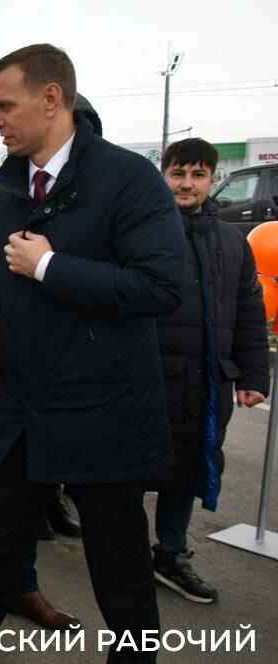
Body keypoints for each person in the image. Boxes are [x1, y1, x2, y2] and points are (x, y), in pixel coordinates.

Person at [0, 44, 186, 664]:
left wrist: (53, 266)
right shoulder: (7, 187)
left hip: (105, 414)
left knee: (122, 578)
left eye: (6, 105)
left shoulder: (127, 178)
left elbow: (161, 287)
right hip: (25, 412)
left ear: (51, 98)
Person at [146, 137, 268, 604]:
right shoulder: (143, 231)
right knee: (131, 471)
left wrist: (253, 377)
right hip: (149, 377)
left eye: (198, 175)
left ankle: (170, 554)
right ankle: (124, 555)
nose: (187, 183)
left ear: (213, 180)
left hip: (206, 381)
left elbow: (249, 311)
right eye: (178, 173)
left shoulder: (232, 241)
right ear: (164, 177)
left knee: (189, 468)